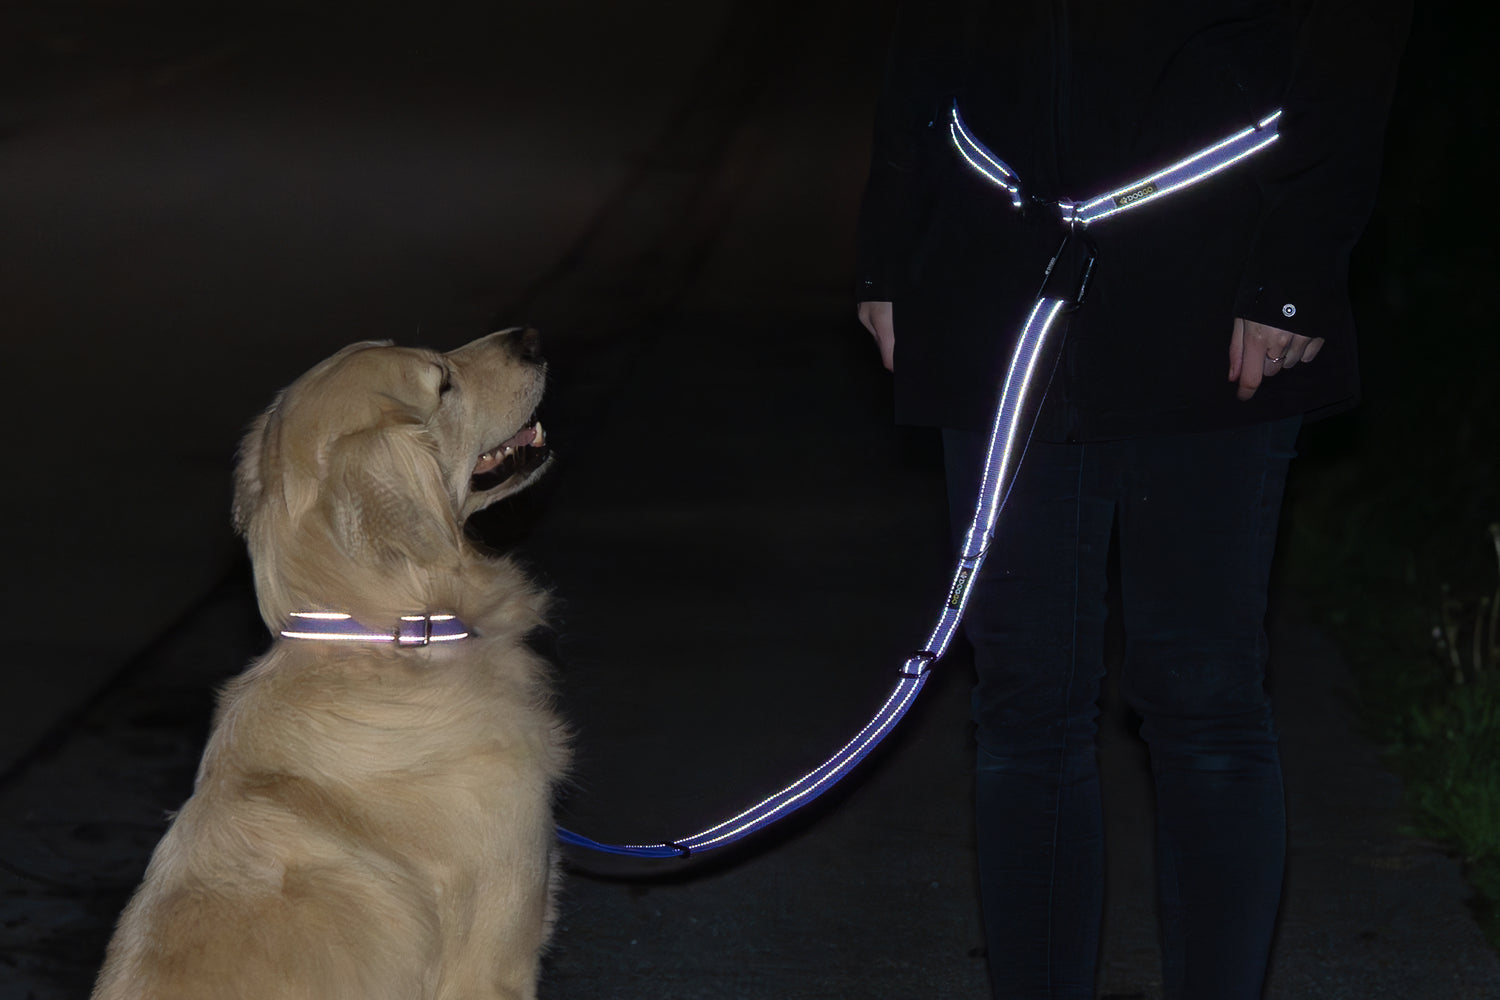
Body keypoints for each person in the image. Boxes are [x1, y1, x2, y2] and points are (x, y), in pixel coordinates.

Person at [854, 3, 1410, 998]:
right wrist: (889, 243)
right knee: (1025, 703)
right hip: (992, 281)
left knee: (1204, 697)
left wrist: (1295, 272)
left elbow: (1352, 34)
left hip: (1216, 287)